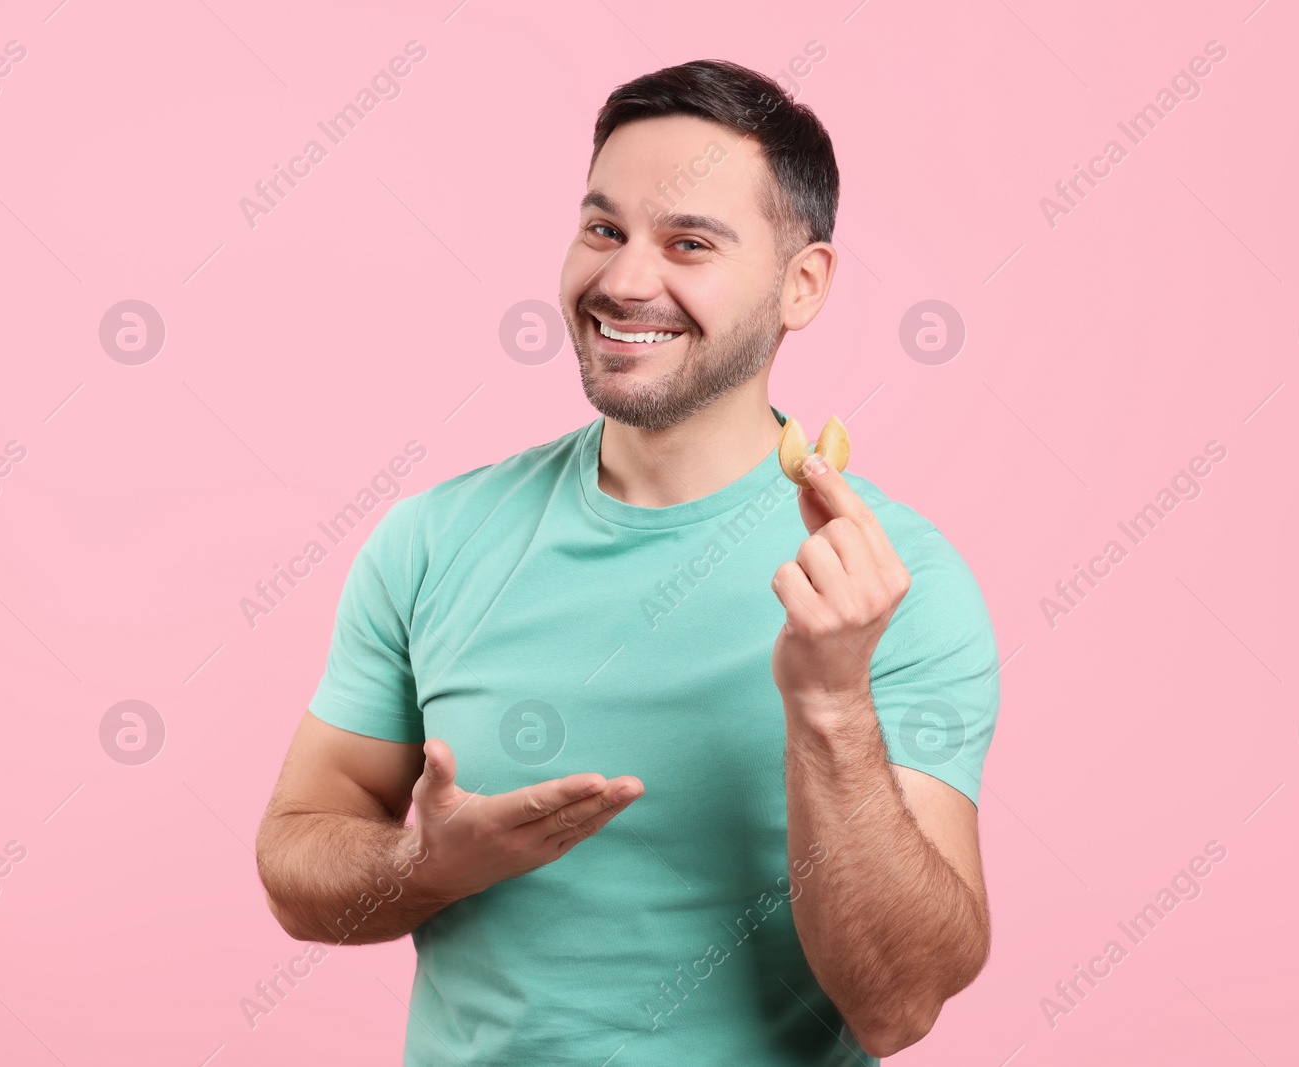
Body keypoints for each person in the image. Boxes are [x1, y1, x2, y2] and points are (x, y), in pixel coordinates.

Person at [255, 57, 1000, 1066]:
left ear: (802, 283)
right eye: (603, 229)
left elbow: (897, 1003)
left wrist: (831, 703)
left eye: (688, 243)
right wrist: (422, 863)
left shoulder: (894, 583)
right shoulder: (431, 539)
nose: (621, 280)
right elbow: (298, 861)